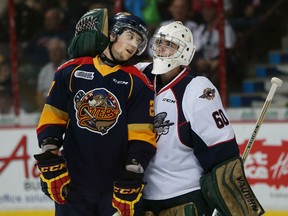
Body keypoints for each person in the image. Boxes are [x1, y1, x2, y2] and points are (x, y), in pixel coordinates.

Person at [134, 21, 265, 215]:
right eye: (159, 42)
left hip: (185, 196)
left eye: (170, 44)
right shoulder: (140, 74)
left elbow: (221, 152)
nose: (162, 48)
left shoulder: (197, 88)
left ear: (185, 52)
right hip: (143, 197)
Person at [34, 9, 156, 216]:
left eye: (138, 41)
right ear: (111, 34)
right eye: (130, 36)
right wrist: (49, 153)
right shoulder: (70, 70)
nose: (134, 45)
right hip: (74, 185)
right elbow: (53, 118)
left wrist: (133, 173)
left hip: (116, 189)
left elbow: (142, 135)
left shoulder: (138, 82)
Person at [36, 37, 67, 111]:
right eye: (51, 51)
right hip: (46, 109)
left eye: (56, 50)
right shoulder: (45, 70)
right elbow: (39, 94)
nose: (53, 53)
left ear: (63, 52)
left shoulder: (69, 68)